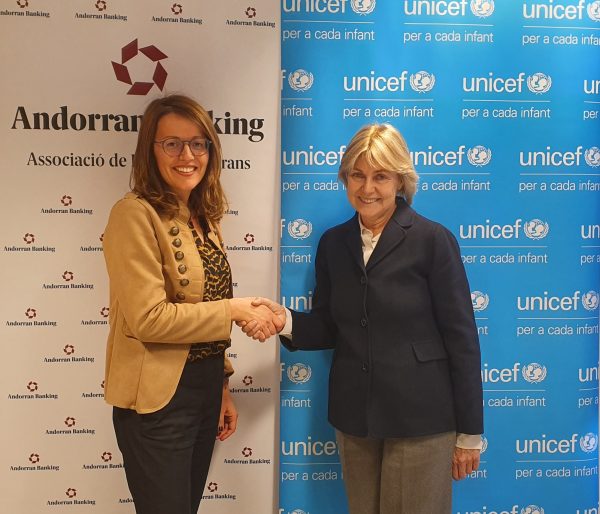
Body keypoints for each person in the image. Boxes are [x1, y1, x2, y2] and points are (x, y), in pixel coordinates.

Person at [245, 123, 484, 514]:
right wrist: (283, 320)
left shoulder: (432, 240)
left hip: (422, 419)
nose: (367, 188)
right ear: (345, 178)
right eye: (357, 175)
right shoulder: (333, 243)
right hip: (355, 419)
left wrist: (470, 433)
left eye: (380, 176)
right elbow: (328, 326)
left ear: (400, 181)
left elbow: (462, 339)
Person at [102, 94, 282, 514]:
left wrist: (221, 386)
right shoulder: (133, 214)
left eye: (198, 144)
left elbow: (208, 305)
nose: (188, 155)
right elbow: (150, 319)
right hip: (157, 402)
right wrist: (234, 310)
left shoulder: (204, 218)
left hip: (203, 390)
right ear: (150, 150)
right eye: (172, 144)